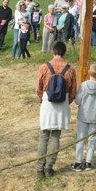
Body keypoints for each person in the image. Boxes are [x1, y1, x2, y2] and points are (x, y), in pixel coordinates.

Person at [35, 42, 78, 177]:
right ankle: (49, 167)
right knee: (55, 136)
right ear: (64, 53)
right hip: (62, 103)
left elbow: (39, 88)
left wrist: (42, 98)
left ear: (53, 51)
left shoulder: (44, 67)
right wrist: (67, 102)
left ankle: (39, 168)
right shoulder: (70, 69)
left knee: (44, 136)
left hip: (48, 102)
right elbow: (73, 91)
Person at [72, 63, 96, 172]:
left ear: (88, 72)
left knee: (81, 138)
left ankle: (78, 162)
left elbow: (77, 100)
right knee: (92, 139)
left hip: (83, 115)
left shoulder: (83, 85)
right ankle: (89, 162)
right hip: (95, 116)